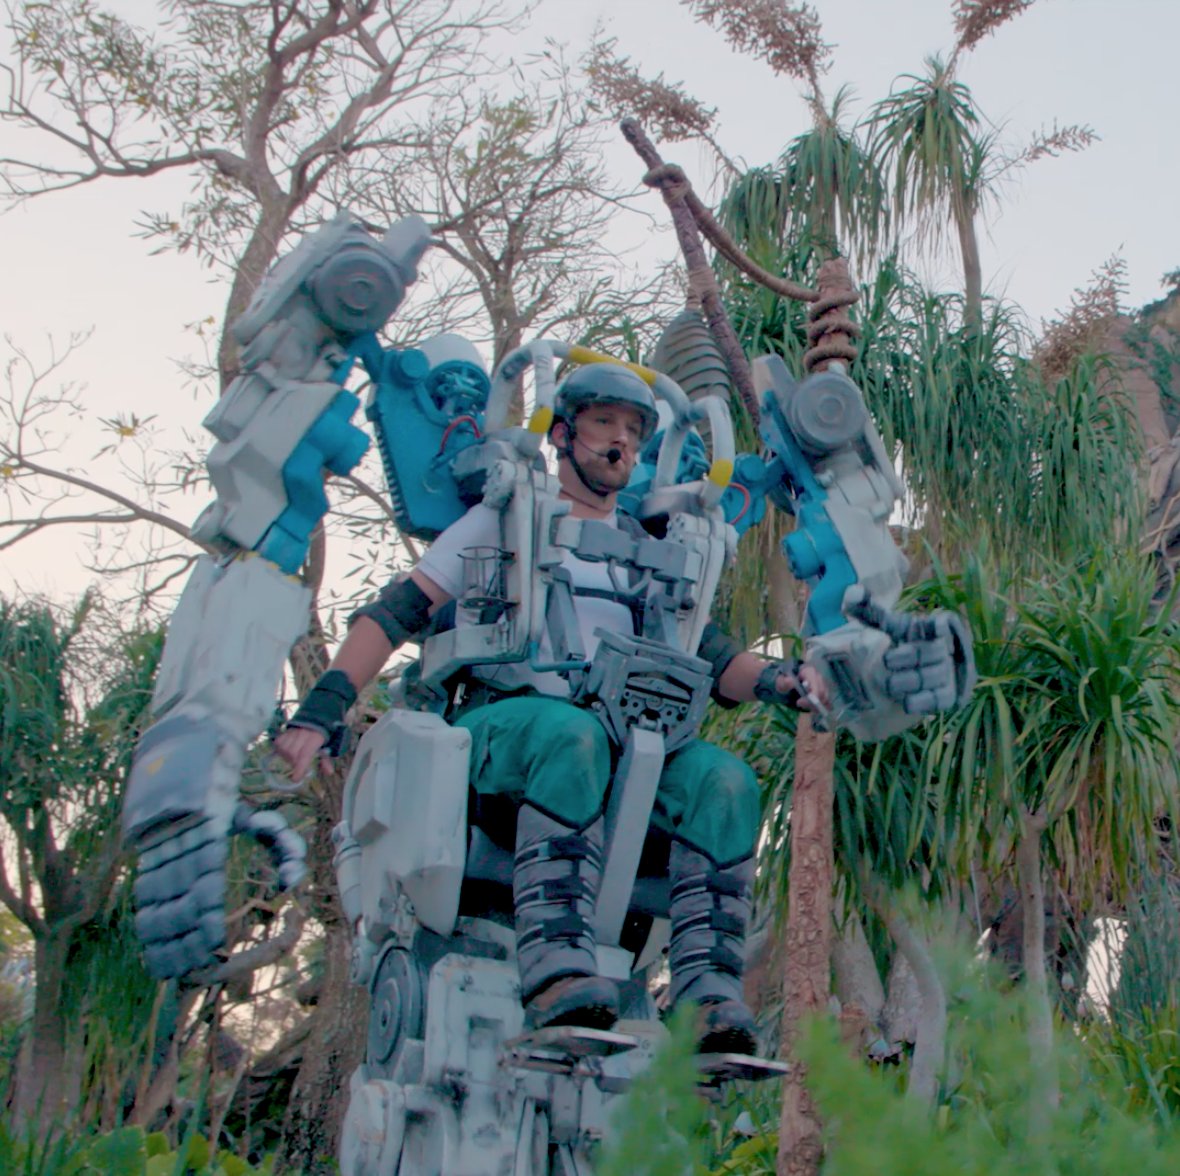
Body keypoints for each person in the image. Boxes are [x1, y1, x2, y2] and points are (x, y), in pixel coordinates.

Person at [274, 364, 825, 1055]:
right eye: (604, 423)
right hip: (504, 726)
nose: (620, 442)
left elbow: (717, 660)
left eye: (634, 430)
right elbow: (396, 613)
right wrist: (321, 710)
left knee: (723, 779)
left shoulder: (648, 552)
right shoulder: (503, 520)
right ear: (562, 434)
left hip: (620, 742)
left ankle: (706, 998)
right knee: (573, 735)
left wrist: (781, 680)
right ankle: (556, 967)